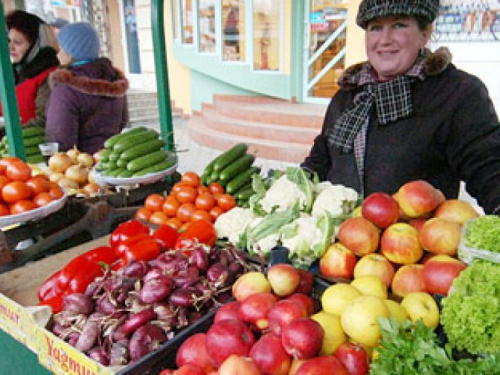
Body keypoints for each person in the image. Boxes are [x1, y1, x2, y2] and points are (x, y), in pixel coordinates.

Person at [301, 0, 500, 215]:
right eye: (375, 28)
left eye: (399, 25)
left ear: (425, 33)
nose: (385, 40)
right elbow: (321, 159)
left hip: (418, 242)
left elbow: (488, 167)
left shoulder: (457, 93)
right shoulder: (348, 94)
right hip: (340, 242)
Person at [45, 22, 129, 154]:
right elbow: (123, 121)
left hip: (82, 167)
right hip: (112, 161)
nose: (58, 54)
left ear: (71, 53)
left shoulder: (66, 89)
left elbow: (61, 139)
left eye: (61, 48)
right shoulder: (114, 80)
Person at [1, 10, 59, 128]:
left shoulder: (49, 77)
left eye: (18, 42)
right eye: (8, 41)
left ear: (35, 47)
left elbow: (44, 121)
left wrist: (9, 134)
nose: (10, 47)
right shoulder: (12, 73)